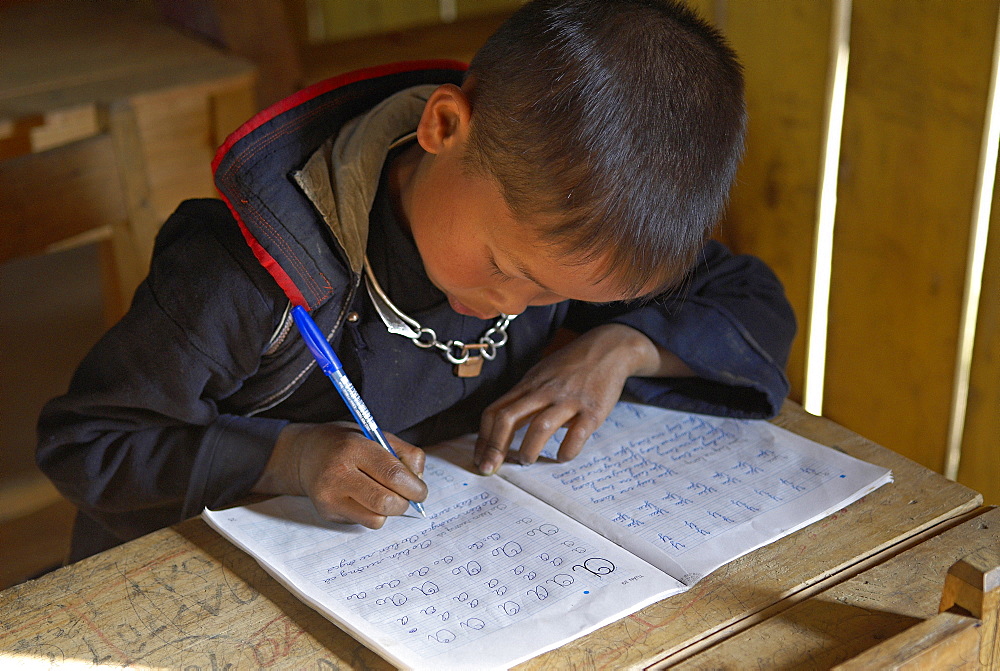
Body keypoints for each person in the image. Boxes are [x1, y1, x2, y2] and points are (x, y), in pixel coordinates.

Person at [37, 0, 796, 562]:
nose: (511, 307)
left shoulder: (573, 235)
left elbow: (752, 300)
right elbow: (89, 443)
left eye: (556, 298)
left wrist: (621, 345)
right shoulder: (248, 273)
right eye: (505, 269)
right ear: (443, 127)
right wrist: (288, 457)